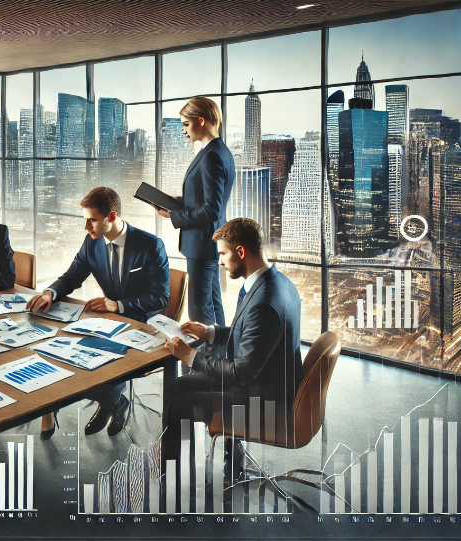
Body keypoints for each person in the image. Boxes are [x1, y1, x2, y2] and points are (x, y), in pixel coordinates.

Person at [163, 218, 303, 480]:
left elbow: (240, 373)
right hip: (267, 381)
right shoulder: (276, 283)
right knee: (178, 386)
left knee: (180, 401)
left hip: (262, 400)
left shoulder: (264, 302)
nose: (220, 262)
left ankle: (173, 480)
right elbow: (255, 337)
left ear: (241, 252)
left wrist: (191, 356)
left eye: (223, 254)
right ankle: (226, 469)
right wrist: (211, 332)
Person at [27, 187, 169, 438]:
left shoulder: (150, 245)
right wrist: (50, 293)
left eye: (92, 220)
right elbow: (72, 276)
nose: (86, 227)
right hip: (106, 322)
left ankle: (109, 403)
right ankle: (116, 402)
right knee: (64, 352)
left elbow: (160, 297)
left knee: (97, 359)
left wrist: (119, 305)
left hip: (138, 323)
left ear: (111, 217)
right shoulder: (92, 243)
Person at [152, 97, 234, 327]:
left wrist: (174, 215)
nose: (184, 131)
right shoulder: (220, 151)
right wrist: (174, 201)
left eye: (186, 125)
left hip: (202, 244)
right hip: (210, 243)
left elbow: (211, 209)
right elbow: (205, 199)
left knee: (199, 312)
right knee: (214, 306)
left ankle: (202, 362)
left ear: (201, 121)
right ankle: (219, 357)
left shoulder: (212, 156)